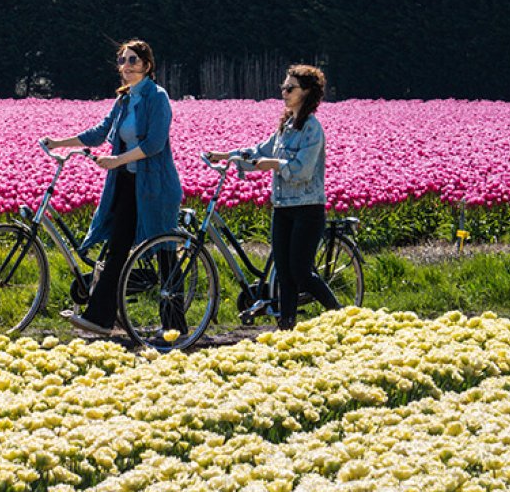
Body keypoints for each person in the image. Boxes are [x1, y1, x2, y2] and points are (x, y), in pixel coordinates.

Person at [42, 39, 181, 335]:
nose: (126, 66)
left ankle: (176, 325)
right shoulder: (124, 100)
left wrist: (118, 159)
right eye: (122, 61)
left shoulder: (157, 98)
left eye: (132, 60)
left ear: (146, 65)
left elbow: (154, 144)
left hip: (155, 186)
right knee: (117, 249)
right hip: (127, 185)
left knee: (165, 251)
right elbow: (98, 133)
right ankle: (101, 318)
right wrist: (59, 142)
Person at [206, 64, 339, 330]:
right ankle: (286, 328)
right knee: (285, 274)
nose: (284, 92)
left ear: (307, 92)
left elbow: (302, 170)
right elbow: (258, 151)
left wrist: (275, 164)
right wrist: (227, 156)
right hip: (282, 207)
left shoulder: (312, 129)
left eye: (290, 88)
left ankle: (342, 315)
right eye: (283, 87)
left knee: (301, 272)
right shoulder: (285, 126)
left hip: (307, 207)